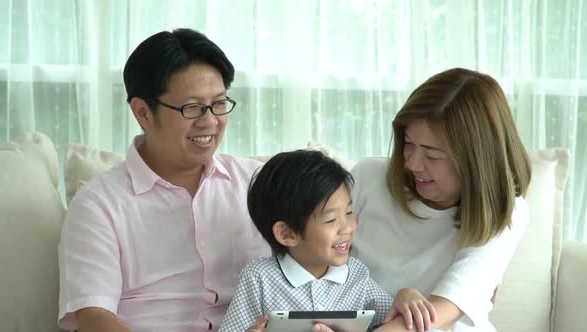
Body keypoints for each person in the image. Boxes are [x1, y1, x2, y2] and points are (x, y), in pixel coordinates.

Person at [58, 28, 271, 332]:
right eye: (192, 107)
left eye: (219, 104)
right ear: (143, 112)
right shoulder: (97, 206)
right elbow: (95, 320)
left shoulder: (257, 184)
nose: (209, 121)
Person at [314, 68, 530, 332]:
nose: (412, 164)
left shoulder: (505, 211)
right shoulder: (367, 178)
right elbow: (309, 263)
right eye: (409, 144)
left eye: (433, 155)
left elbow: (440, 314)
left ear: (476, 161)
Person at [219, 150, 440, 332]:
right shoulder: (259, 278)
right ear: (287, 234)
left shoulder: (357, 275)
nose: (348, 227)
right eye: (332, 219)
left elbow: (393, 319)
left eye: (350, 212)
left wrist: (405, 295)